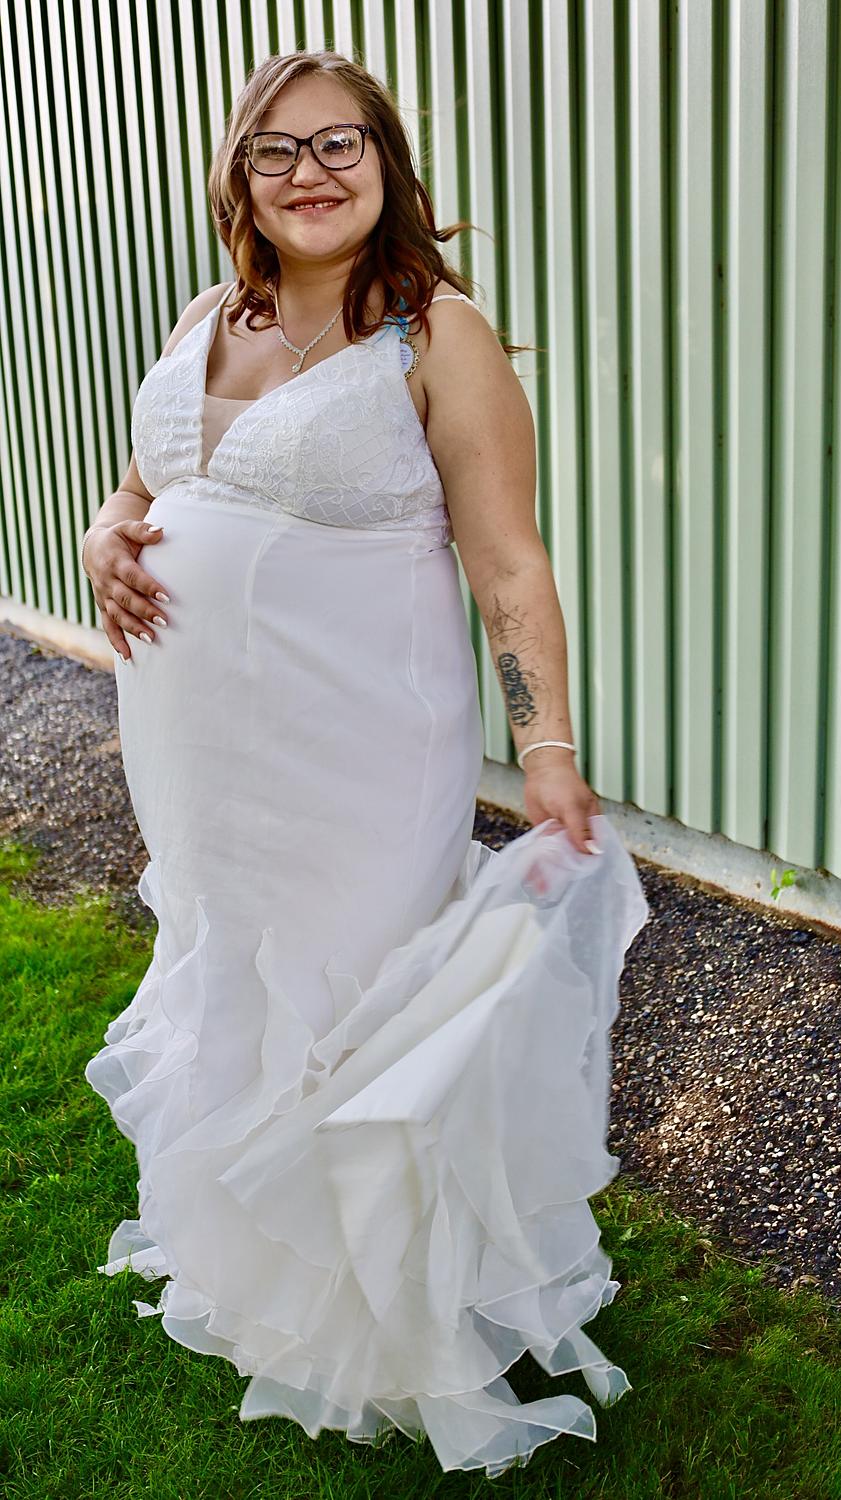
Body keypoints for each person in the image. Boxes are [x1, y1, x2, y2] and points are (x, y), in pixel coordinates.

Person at [81, 48, 649, 1480]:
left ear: (386, 164)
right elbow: (156, 483)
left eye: (340, 144)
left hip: (359, 739)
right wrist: (105, 527)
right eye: (277, 150)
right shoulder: (209, 315)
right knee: (234, 973)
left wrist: (547, 746)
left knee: (358, 990)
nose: (311, 173)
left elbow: (508, 563)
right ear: (242, 179)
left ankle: (391, 1312)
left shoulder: (434, 335)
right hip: (201, 753)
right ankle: (258, 1265)